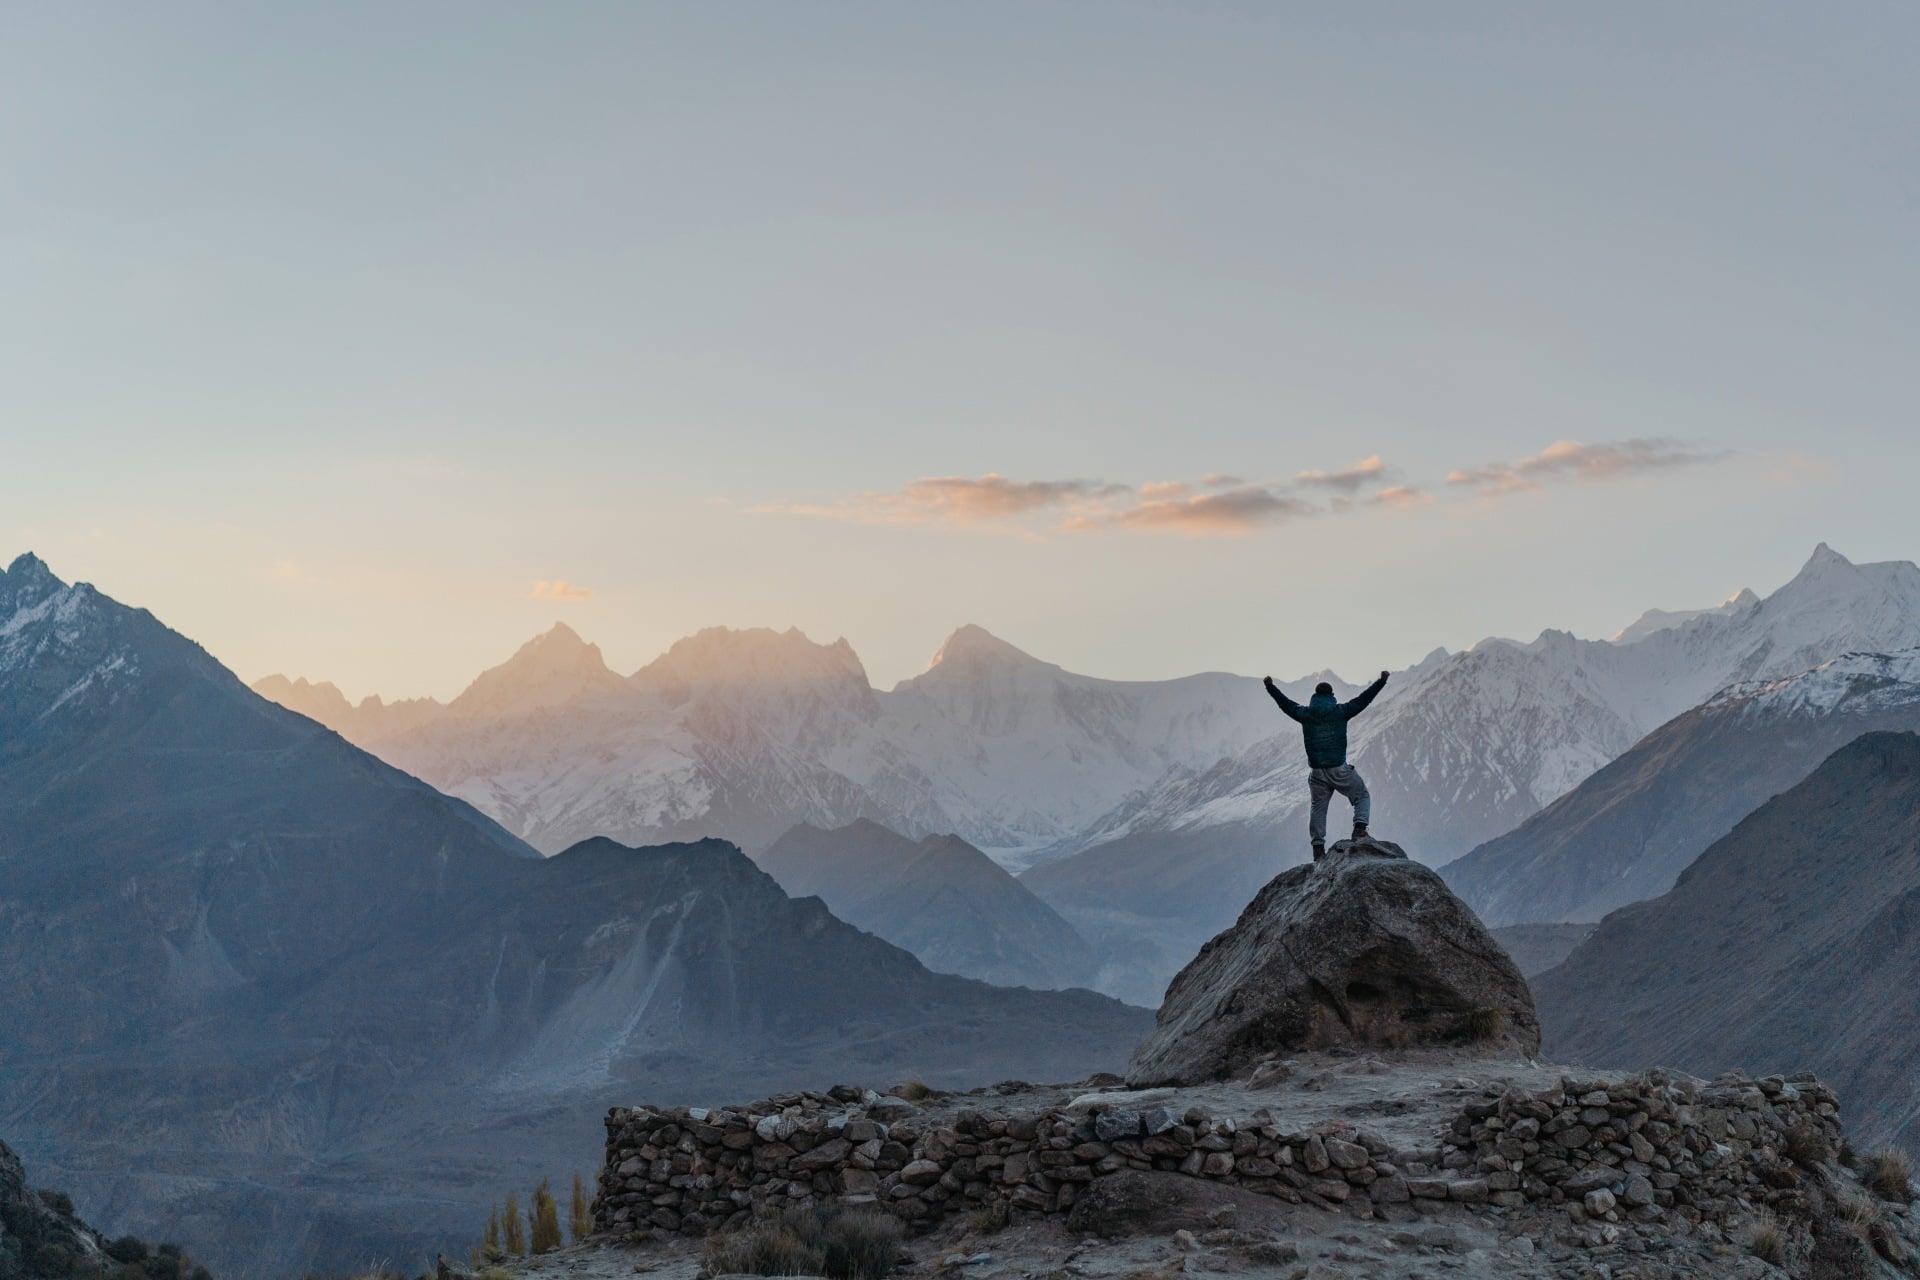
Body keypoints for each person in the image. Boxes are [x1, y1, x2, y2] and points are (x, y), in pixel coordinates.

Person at [1261, 670, 1390, 862]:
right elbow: (1365, 699)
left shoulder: (1305, 713)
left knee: (1318, 808)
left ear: (1315, 696)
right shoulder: (1341, 711)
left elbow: (1284, 703)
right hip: (1339, 769)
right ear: (1331, 697)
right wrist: (1382, 681)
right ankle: (1360, 830)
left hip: (1317, 772)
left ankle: (1318, 849)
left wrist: (1270, 686)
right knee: (1361, 795)